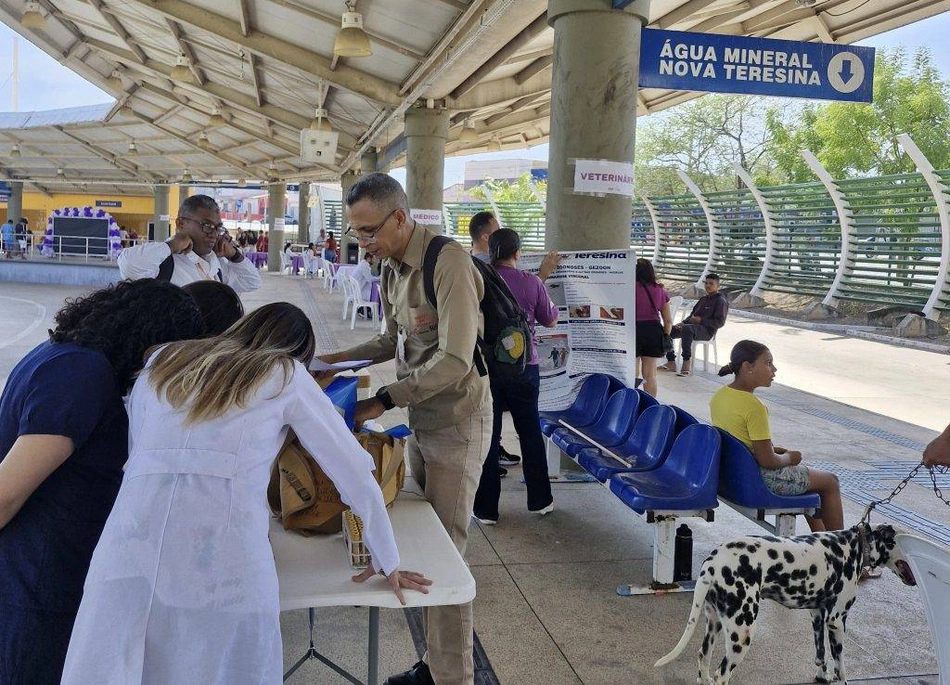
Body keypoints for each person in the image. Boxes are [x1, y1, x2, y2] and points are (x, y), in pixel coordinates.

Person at [61, 303, 430, 684]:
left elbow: (139, 455)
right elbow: (351, 468)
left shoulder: (164, 361)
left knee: (115, 663)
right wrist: (386, 555)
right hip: (225, 563)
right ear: (299, 354)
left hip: (128, 550)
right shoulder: (284, 373)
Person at [317, 173, 489, 685]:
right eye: (357, 233)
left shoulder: (448, 262)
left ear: (399, 217)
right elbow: (391, 338)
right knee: (426, 542)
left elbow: (456, 358)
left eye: (369, 231)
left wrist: (382, 401)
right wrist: (333, 360)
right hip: (422, 418)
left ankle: (453, 677)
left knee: (448, 555)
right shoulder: (392, 268)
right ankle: (437, 663)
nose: (362, 243)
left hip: (457, 421)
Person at [0, 280, 205, 685]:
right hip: (38, 582)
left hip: (41, 574)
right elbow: (6, 493)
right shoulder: (81, 373)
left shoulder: (63, 355)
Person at [710, 340, 844, 532]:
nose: (774, 369)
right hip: (762, 480)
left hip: (734, 475)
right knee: (830, 481)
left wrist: (771, 450)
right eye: (768, 363)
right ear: (748, 366)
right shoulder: (754, 407)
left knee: (811, 482)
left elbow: (742, 440)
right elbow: (767, 460)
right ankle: (842, 547)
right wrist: (790, 458)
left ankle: (823, 541)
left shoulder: (720, 396)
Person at [472, 229, 557, 525]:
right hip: (525, 367)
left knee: (489, 434)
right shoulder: (531, 282)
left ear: (490, 251)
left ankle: (485, 509)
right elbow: (549, 318)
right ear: (517, 253)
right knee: (530, 431)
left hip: (488, 369)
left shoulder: (478, 278)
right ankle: (540, 500)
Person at [118, 195, 262, 292]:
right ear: (181, 223)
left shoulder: (217, 266)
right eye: (207, 226)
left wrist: (235, 255)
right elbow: (128, 263)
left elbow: (252, 282)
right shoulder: (165, 264)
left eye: (217, 228)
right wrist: (171, 246)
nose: (213, 234)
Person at [661, 272, 729, 376]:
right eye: (706, 283)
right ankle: (671, 361)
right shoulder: (703, 299)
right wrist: (682, 323)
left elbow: (720, 322)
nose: (708, 286)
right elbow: (692, 316)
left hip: (707, 331)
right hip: (692, 328)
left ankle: (686, 362)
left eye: (711, 283)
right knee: (668, 329)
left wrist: (701, 321)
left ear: (718, 286)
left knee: (687, 329)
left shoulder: (721, 301)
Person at [634, 258, 673, 397]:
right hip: (653, 332)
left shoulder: (627, 288)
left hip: (632, 332)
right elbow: (668, 321)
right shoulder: (659, 290)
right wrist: (666, 335)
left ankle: (630, 403)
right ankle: (650, 406)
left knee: (632, 374)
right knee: (650, 375)